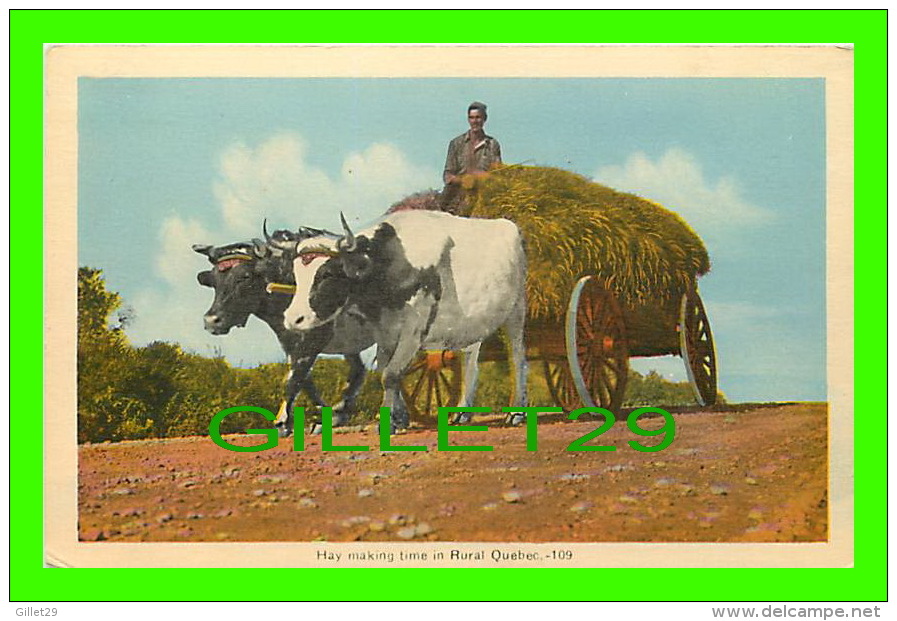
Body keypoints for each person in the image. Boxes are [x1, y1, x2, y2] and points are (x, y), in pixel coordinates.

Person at [440, 101, 502, 213]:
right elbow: (447, 175)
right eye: (471, 118)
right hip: (457, 195)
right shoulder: (456, 143)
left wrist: (478, 177)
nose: (475, 121)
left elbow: (498, 175)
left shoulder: (492, 144)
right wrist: (463, 179)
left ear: (484, 119)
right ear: (468, 119)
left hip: (483, 195)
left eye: (478, 117)